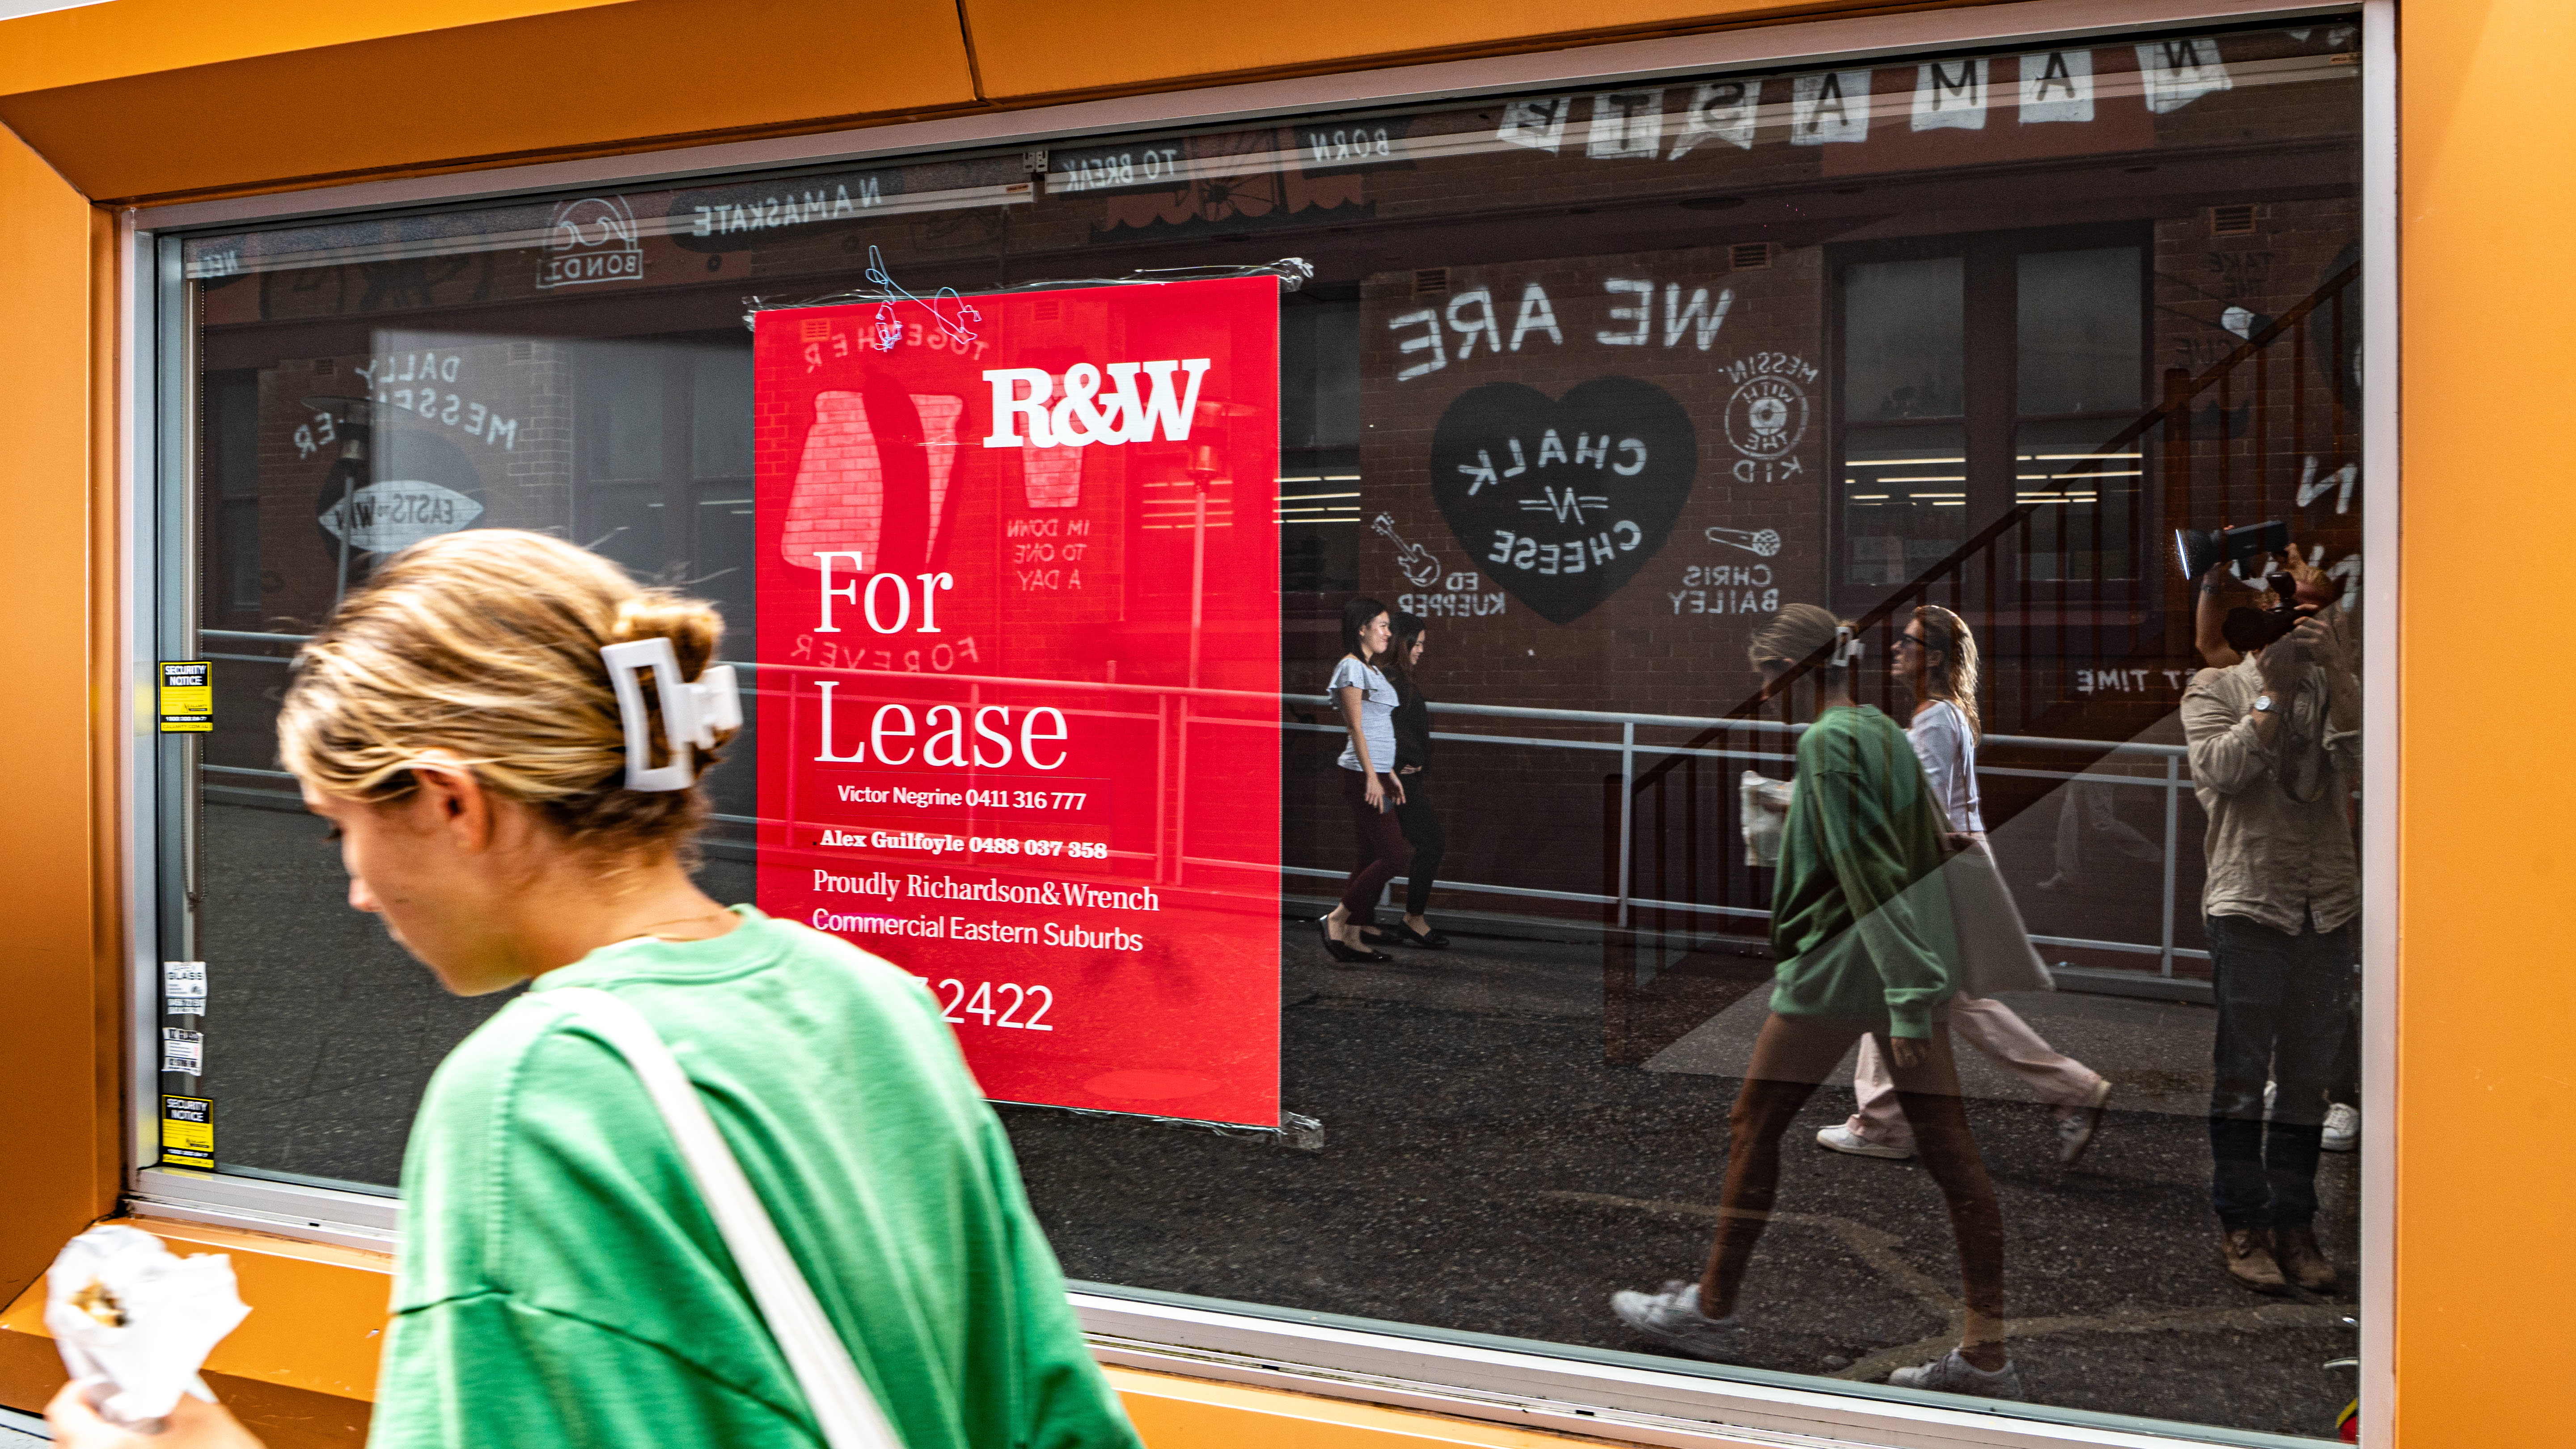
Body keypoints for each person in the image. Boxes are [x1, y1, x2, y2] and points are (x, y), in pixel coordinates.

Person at [51, 530, 1142, 1449]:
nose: (357, 894)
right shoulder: (872, 1001)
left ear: (450, 803)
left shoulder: (534, 1101)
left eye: (345, 831)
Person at [1612, 605, 2020, 1399]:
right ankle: (1986, 1353)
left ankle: (1712, 1309)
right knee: (1952, 1153)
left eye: (1768, 676)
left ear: (1795, 672)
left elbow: (1866, 874)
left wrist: (1901, 1003)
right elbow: (1915, 840)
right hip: (1899, 963)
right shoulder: (1875, 729)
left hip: (1839, 964)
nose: (1764, 694)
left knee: (1753, 1123)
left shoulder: (1825, 742)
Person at [1818, 605, 2118, 1168]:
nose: (1896, 651)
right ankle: (1890, 1120)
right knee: (1938, 994)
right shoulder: (1945, 714)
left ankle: (1887, 1124)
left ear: (1932, 656)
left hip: (1938, 868)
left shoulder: (1935, 718)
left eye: (1907, 643)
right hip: (1951, 862)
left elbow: (1920, 805)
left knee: (1908, 985)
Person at [2182, 591, 2361, 1294]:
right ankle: (2242, 1225)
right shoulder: (2214, 687)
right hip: (2249, 902)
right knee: (2241, 1078)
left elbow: (2369, 755)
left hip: (2327, 905)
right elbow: (2223, 771)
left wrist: (2338, 668)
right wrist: (2275, 694)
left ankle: (2296, 1225)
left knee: (2307, 1086)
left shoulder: (2332, 685)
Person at [1318, 596, 1407, 965]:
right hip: (1359, 774)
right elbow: (1355, 726)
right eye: (1382, 625)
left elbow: (1377, 726)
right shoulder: (1350, 668)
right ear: (1362, 629)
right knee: (1395, 856)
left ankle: (1352, 935)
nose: (1388, 633)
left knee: (1368, 855)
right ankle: (1336, 920)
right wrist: (1372, 776)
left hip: (1376, 774)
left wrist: (1388, 773)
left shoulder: (1371, 670)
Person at [1364, 611, 1449, 950]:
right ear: (1405, 642)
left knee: (1380, 850)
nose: (1422, 650)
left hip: (1395, 777)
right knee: (1429, 842)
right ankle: (1410, 919)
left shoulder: (1395, 679)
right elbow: (1379, 730)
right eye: (1419, 643)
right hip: (1395, 780)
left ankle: (1361, 920)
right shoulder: (1389, 680)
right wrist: (1404, 764)